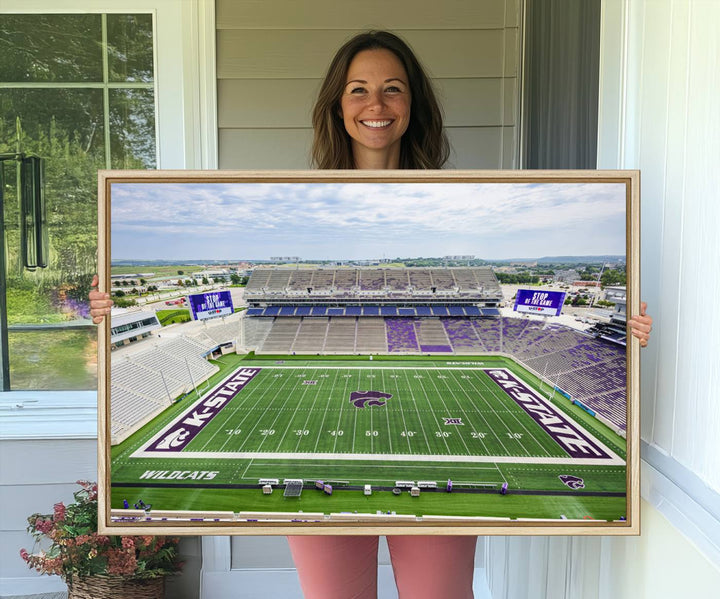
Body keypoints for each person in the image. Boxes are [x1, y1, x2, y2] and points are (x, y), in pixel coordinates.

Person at [89, 30, 653, 598]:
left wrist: (620, 332)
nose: (376, 105)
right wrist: (109, 305)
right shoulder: (294, 198)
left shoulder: (457, 200)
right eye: (358, 90)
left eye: (393, 89)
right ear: (338, 104)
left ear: (413, 104)